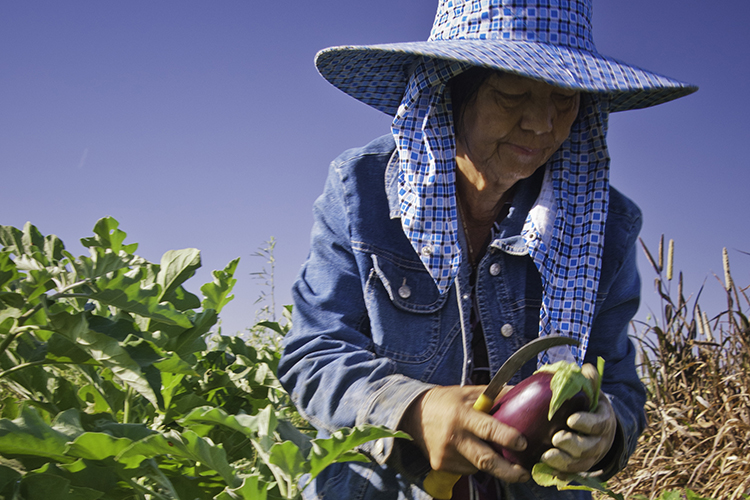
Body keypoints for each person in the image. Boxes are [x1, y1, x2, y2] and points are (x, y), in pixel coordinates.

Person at [278, 1, 696, 499]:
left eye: (564, 100)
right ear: (451, 90)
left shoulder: (604, 228)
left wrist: (605, 431)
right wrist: (411, 408)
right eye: (513, 93)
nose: (541, 124)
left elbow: (621, 386)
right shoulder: (361, 191)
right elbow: (315, 350)